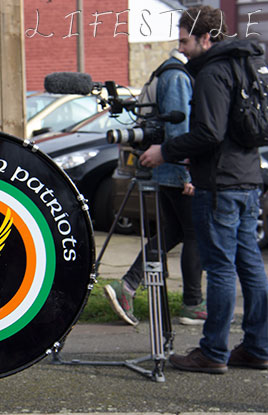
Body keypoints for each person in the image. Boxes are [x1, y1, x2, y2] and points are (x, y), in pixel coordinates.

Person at [139, 6, 268, 374]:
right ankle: (258, 347)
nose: (181, 49)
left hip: (219, 186)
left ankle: (213, 352)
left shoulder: (212, 71)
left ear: (206, 38)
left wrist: (165, 151)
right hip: (248, 180)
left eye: (185, 41)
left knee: (222, 269)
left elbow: (209, 132)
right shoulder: (243, 65)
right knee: (251, 268)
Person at [104, 49, 205, 327]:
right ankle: (193, 304)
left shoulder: (162, 73)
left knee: (171, 232)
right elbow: (179, 125)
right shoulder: (176, 76)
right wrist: (188, 171)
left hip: (166, 167)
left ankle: (127, 286)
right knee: (194, 233)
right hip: (176, 168)